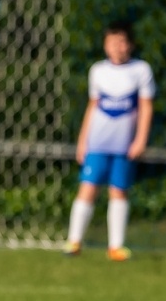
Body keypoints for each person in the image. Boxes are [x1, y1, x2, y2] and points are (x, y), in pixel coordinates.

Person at [65, 21, 155, 260]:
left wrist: (141, 139)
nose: (117, 47)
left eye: (122, 42)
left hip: (123, 144)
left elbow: (146, 107)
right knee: (88, 187)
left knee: (119, 191)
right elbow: (93, 106)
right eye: (112, 42)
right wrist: (83, 141)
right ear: (105, 45)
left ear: (131, 45)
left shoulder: (141, 71)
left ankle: (115, 246)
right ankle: (74, 241)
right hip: (98, 142)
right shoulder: (98, 71)